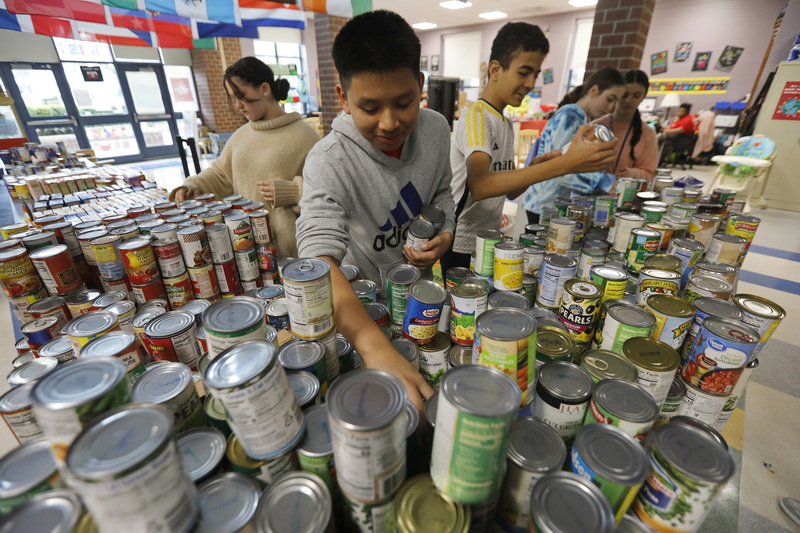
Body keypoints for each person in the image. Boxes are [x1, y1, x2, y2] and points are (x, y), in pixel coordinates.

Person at [296, 10, 455, 410]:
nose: (389, 123)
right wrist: (373, 345)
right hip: (359, 312)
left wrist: (446, 234)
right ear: (343, 97)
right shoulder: (328, 159)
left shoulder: (435, 129)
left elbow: (442, 197)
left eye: (404, 103)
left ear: (421, 86)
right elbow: (317, 261)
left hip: (421, 296)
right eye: (369, 108)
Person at [445, 23, 618, 271]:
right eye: (523, 72)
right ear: (495, 69)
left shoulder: (503, 122)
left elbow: (511, 192)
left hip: (485, 237)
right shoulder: (477, 115)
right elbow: (481, 186)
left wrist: (538, 165)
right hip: (459, 241)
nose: (530, 83)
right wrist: (564, 165)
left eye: (535, 74)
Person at [169, 57, 320, 259]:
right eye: (232, 98)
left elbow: (328, 191)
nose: (238, 105)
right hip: (245, 249)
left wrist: (293, 191)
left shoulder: (305, 136)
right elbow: (221, 174)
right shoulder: (240, 135)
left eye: (241, 96)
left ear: (265, 89)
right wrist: (192, 185)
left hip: (291, 253)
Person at [520, 67, 626, 224]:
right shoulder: (570, 115)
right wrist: (604, 182)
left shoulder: (581, 118)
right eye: (610, 99)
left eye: (615, 102)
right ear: (594, 90)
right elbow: (559, 168)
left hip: (552, 201)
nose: (611, 108)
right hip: (544, 203)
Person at [592, 69, 659, 184]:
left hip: (627, 193)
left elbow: (649, 174)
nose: (629, 101)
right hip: (593, 190)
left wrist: (632, 173)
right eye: (625, 95)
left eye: (636, 96)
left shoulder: (648, 134)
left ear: (644, 97)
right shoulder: (597, 126)